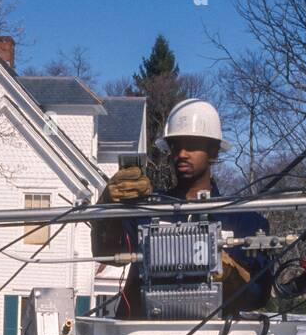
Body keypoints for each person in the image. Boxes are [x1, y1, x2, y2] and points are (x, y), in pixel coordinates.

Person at [91, 99, 276, 319]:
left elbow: (259, 296)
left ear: (214, 151)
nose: (182, 154)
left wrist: (232, 273)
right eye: (176, 145)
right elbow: (106, 252)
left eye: (192, 145)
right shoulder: (148, 210)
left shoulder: (244, 221)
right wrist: (108, 206)